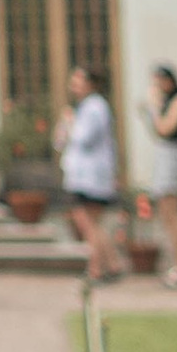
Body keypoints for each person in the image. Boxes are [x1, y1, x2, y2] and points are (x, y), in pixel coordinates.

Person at [56, 62, 122, 280]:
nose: (73, 86)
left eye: (78, 81)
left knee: (88, 223)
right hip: (82, 176)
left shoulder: (95, 107)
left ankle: (96, 269)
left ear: (91, 84)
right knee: (91, 223)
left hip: (91, 177)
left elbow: (83, 139)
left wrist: (71, 122)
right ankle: (111, 265)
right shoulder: (84, 107)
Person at [143, 66, 177, 286]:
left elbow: (166, 129)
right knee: (165, 215)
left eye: (159, 82)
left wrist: (154, 108)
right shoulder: (166, 102)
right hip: (163, 155)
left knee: (173, 216)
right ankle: (175, 265)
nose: (157, 88)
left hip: (172, 158)